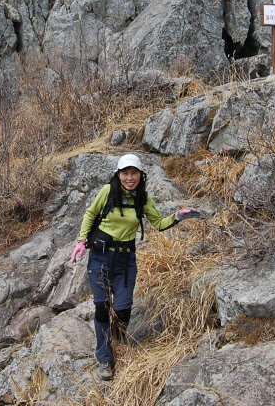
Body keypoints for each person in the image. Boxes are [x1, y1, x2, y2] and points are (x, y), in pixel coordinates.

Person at [69, 154, 201, 381]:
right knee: (102, 306)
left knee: (122, 308)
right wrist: (82, 241)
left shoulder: (143, 198)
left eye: (134, 173)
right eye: (125, 173)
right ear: (118, 174)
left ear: (141, 175)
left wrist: (178, 216)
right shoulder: (107, 192)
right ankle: (104, 356)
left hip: (125, 260)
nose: (130, 178)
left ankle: (118, 341)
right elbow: (90, 213)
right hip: (101, 257)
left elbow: (159, 223)